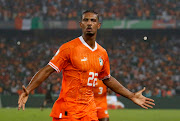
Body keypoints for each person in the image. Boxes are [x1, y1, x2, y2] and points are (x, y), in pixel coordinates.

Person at [18, 10, 155, 121]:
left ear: (98, 25)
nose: (89, 23)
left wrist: (131, 95)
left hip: (89, 110)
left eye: (93, 20)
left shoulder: (102, 53)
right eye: (86, 20)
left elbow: (107, 78)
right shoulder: (69, 48)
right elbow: (47, 70)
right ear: (81, 24)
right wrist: (28, 89)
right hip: (68, 110)